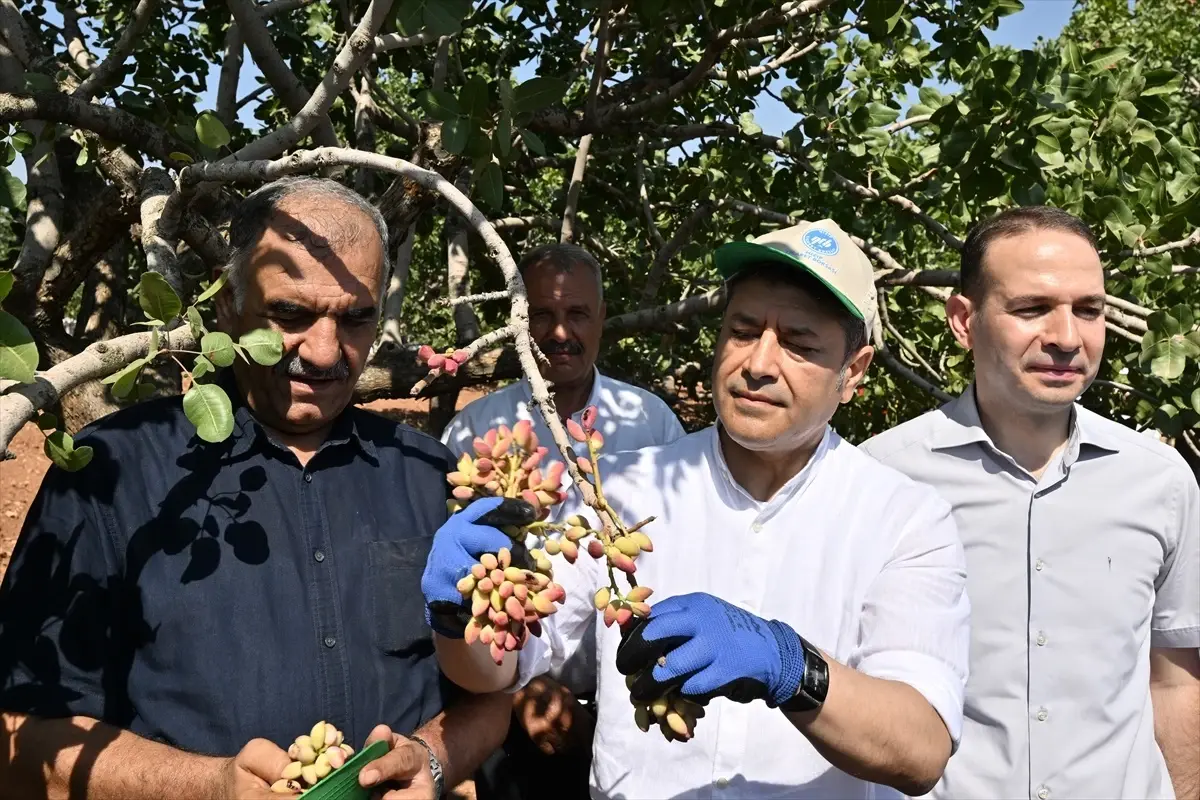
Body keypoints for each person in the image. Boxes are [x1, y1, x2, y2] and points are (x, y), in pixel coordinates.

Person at [422, 220, 973, 799]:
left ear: (853, 372)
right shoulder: (617, 491)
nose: (758, 364)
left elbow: (921, 749)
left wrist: (791, 667)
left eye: (799, 344)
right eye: (742, 331)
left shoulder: (906, 519)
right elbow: (501, 669)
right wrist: (463, 617)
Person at [0, 177, 509, 799]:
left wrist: (430, 762)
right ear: (226, 309)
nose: (325, 352)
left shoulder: (432, 476)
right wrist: (211, 786)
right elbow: (19, 733)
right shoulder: (110, 474)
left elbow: (490, 695)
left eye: (356, 318)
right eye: (290, 314)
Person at [859, 206, 1200, 800]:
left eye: (1088, 310)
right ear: (963, 321)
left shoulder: (1161, 482)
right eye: (1032, 309)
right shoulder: (881, 479)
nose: (1067, 337)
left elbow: (1174, 684)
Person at [440, 242, 686, 799]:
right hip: (509, 715)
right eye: (542, 315)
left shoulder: (651, 423)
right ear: (518, 321)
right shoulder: (474, 431)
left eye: (576, 314)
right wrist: (519, 689)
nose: (559, 332)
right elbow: (457, 582)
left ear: (601, 318)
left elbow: (678, 556)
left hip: (632, 709)